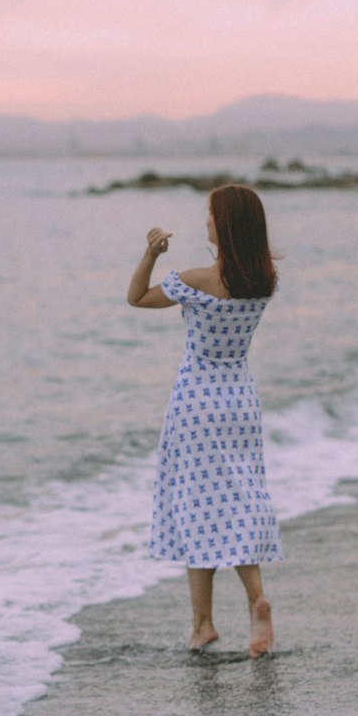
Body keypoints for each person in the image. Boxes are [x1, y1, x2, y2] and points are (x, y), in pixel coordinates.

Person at [127, 184, 282, 657]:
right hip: (239, 400)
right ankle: (255, 598)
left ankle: (203, 624)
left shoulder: (196, 280)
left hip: (197, 402)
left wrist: (151, 253)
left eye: (211, 215)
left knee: (199, 508)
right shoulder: (264, 282)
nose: (205, 222)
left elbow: (137, 298)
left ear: (226, 225)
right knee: (241, 499)